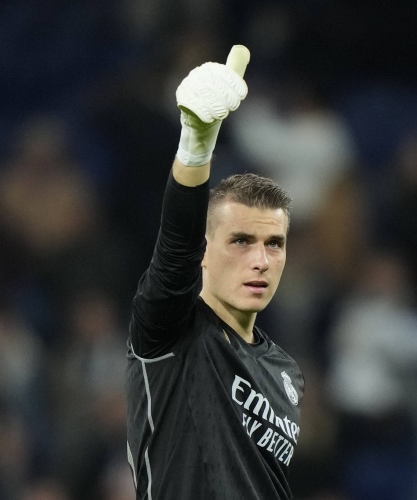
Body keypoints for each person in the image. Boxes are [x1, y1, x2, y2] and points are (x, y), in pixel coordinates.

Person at [125, 45, 304, 499]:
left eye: (274, 243)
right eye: (241, 240)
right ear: (204, 251)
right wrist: (195, 146)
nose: (260, 260)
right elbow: (174, 251)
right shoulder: (171, 333)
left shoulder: (286, 372)